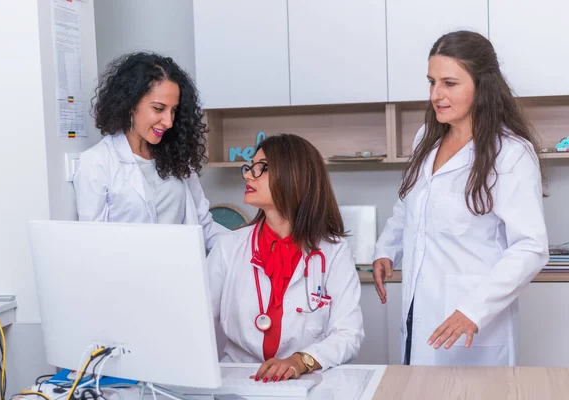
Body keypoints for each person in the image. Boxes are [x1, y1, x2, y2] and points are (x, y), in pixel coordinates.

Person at [372, 31, 548, 366]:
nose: (436, 94)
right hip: (417, 312)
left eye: (449, 83)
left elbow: (530, 247)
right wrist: (386, 250)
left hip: (472, 322)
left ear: (482, 86)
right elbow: (409, 204)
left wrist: (473, 310)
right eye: (431, 82)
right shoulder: (427, 138)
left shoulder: (509, 153)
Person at [206, 134, 364, 381]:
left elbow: (348, 334)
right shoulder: (229, 247)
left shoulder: (334, 252)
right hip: (238, 381)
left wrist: (301, 361)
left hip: (306, 382)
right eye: (249, 168)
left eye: (262, 168)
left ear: (295, 176)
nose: (248, 175)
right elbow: (197, 322)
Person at [73, 52, 227, 249]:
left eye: (174, 111)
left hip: (180, 272)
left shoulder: (177, 158)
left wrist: (249, 244)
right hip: (128, 277)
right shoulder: (97, 162)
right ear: (130, 104)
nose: (169, 122)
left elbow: (204, 227)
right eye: (158, 108)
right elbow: (93, 244)